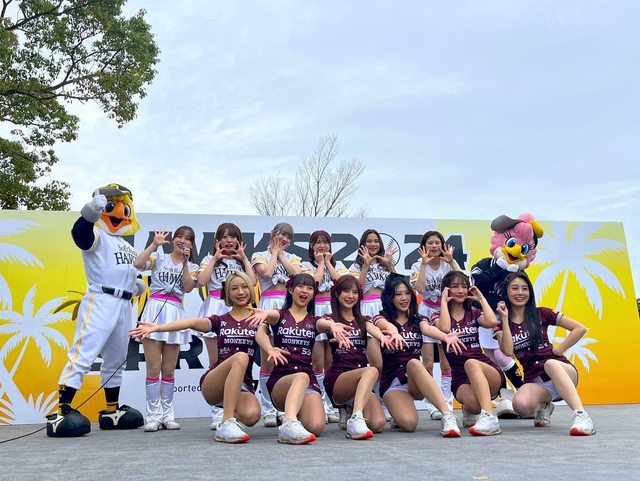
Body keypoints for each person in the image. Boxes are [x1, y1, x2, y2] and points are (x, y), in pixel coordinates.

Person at [47, 184, 145, 437]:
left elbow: (130, 270)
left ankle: (111, 410)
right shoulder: (98, 234)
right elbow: (81, 236)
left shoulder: (127, 245)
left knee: (117, 359)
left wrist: (135, 284)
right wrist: (90, 213)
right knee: (83, 353)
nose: (118, 213)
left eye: (123, 207)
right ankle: (62, 410)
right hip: (101, 299)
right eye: (111, 206)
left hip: (124, 304)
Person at [130, 271, 262, 443]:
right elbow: (190, 322)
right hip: (214, 383)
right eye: (234, 288)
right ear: (227, 294)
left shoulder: (259, 321)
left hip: (243, 385)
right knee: (241, 357)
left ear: (251, 289)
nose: (240, 292)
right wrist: (157, 328)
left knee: (252, 416)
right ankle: (226, 422)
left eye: (244, 287)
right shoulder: (220, 320)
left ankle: (229, 418)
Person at [252, 273, 351, 444]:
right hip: (281, 382)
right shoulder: (280, 315)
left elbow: (324, 324)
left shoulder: (314, 321)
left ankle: (296, 415)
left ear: (313, 294)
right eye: (300, 286)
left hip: (307, 383)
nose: (305, 290)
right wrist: (269, 348)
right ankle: (288, 423)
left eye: (309, 288)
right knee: (302, 376)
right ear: (291, 290)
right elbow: (262, 331)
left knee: (316, 426)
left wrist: (333, 325)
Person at [494, 272, 596, 436]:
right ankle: (545, 406)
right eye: (514, 288)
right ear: (506, 292)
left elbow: (580, 328)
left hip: (561, 371)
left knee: (551, 364)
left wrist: (559, 350)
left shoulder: (541, 313)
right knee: (520, 405)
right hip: (535, 380)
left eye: (525, 289)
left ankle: (582, 416)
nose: (520, 293)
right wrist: (505, 319)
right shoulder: (500, 323)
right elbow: (507, 351)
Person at [371, 274, 464, 437]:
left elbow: (427, 328)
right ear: (390, 297)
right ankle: (397, 411)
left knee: (414, 363)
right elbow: (382, 324)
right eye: (398, 294)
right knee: (409, 424)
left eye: (407, 293)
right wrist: (394, 332)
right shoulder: (381, 317)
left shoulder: (418, 319)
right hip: (393, 382)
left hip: (415, 380)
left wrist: (444, 337)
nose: (404, 298)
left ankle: (447, 415)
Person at [133, 227, 199, 432]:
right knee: (153, 368)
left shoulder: (192, 266)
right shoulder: (159, 258)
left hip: (175, 314)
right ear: (173, 239)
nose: (182, 240)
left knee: (169, 369)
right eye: (179, 236)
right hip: (154, 310)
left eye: (187, 239)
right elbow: (138, 264)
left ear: (192, 244)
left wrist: (185, 263)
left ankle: (168, 415)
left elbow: (188, 288)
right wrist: (154, 244)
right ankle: (153, 416)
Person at [323, 275, 402, 439]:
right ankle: (356, 417)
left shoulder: (363, 320)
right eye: (346, 291)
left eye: (354, 292)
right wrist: (332, 326)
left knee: (378, 424)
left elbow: (374, 329)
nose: (350, 296)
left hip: (362, 379)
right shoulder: (329, 319)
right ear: (337, 293)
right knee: (372, 371)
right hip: (339, 378)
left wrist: (384, 337)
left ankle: (352, 409)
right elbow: (319, 324)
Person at [196, 223, 256, 428]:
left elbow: (253, 282)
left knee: (240, 360)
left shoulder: (242, 262)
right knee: (216, 361)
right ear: (217, 241)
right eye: (224, 237)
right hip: (215, 306)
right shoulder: (209, 259)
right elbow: (201, 281)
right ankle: (218, 412)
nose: (229, 240)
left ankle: (233, 410)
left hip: (238, 310)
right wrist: (215, 258)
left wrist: (244, 259)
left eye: (233, 237)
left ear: (239, 241)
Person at [436, 271, 504, 435]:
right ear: (446, 289)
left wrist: (481, 299)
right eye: (455, 286)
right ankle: (471, 411)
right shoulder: (438, 315)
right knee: (473, 406)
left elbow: (492, 322)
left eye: (464, 286)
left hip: (486, 369)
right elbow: (444, 328)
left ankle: (489, 418)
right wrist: (443, 302)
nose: (460, 290)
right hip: (460, 376)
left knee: (471, 363)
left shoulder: (473, 313)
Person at [251, 222, 302, 426]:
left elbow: (297, 276)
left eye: (288, 237)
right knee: (268, 361)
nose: (284, 239)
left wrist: (281, 255)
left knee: (287, 359)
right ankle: (269, 409)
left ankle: (283, 407)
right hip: (268, 305)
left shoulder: (293, 257)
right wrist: (274, 253)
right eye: (281, 235)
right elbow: (266, 273)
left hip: (288, 308)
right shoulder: (259, 255)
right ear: (272, 234)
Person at [409, 230, 460, 419]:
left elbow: (462, 281)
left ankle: (446, 402)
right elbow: (419, 289)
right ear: (423, 246)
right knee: (428, 363)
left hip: (445, 313)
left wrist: (452, 261)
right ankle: (432, 405)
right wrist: (424, 264)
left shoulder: (447, 264)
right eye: (430, 243)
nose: (434, 246)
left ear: (442, 245)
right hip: (425, 313)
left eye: (437, 242)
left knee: (447, 363)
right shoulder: (417, 265)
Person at [301, 230, 348, 424]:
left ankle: (332, 405)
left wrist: (328, 263)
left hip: (334, 313)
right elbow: (313, 284)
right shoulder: (304, 266)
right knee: (318, 363)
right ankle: (320, 405)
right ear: (311, 246)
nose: (321, 245)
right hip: (315, 313)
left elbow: (342, 284)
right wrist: (320, 264)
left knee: (333, 362)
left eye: (325, 242)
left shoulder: (339, 265)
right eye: (317, 242)